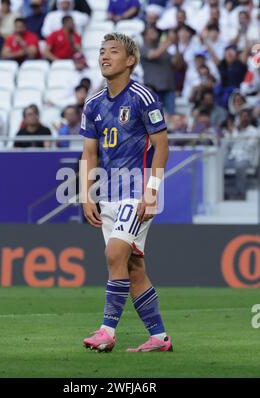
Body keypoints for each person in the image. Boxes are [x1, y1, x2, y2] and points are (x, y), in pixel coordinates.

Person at [80, 33, 172, 353]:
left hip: (137, 191)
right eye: (102, 51)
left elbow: (162, 146)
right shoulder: (93, 103)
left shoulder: (143, 98)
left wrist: (152, 191)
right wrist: (85, 193)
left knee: (115, 254)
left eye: (113, 51)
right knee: (132, 268)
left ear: (130, 60)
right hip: (108, 194)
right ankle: (159, 337)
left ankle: (107, 331)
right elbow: (88, 153)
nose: (105, 56)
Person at [140, 26, 177, 115]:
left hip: (168, 89)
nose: (155, 32)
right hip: (153, 89)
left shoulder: (163, 48)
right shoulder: (142, 48)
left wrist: (177, 45)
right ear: (145, 35)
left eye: (155, 31)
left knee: (171, 116)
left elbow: (177, 64)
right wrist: (169, 40)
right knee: (154, 118)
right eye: (151, 30)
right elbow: (154, 55)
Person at [224, 107, 259, 199]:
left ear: (249, 118)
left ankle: (240, 192)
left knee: (240, 166)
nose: (244, 119)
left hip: (246, 158)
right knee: (218, 164)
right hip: (232, 157)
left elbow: (250, 147)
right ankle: (223, 193)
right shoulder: (234, 131)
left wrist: (241, 133)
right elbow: (228, 144)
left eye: (246, 117)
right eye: (242, 117)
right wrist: (232, 132)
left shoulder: (254, 132)